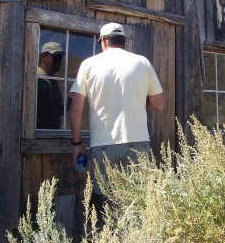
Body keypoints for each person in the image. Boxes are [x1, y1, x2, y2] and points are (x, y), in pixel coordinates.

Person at [69, 22, 165, 223]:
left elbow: (76, 108)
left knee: (102, 205)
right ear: (123, 41)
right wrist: (136, 100)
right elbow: (158, 104)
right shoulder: (142, 62)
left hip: (102, 144)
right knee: (138, 203)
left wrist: (77, 144)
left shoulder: (88, 64)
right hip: (137, 142)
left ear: (103, 41)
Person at [36, 42, 65, 129]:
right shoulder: (34, 79)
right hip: (40, 134)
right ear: (44, 57)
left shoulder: (52, 80)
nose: (58, 61)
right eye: (55, 57)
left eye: (60, 58)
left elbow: (54, 109)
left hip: (53, 134)